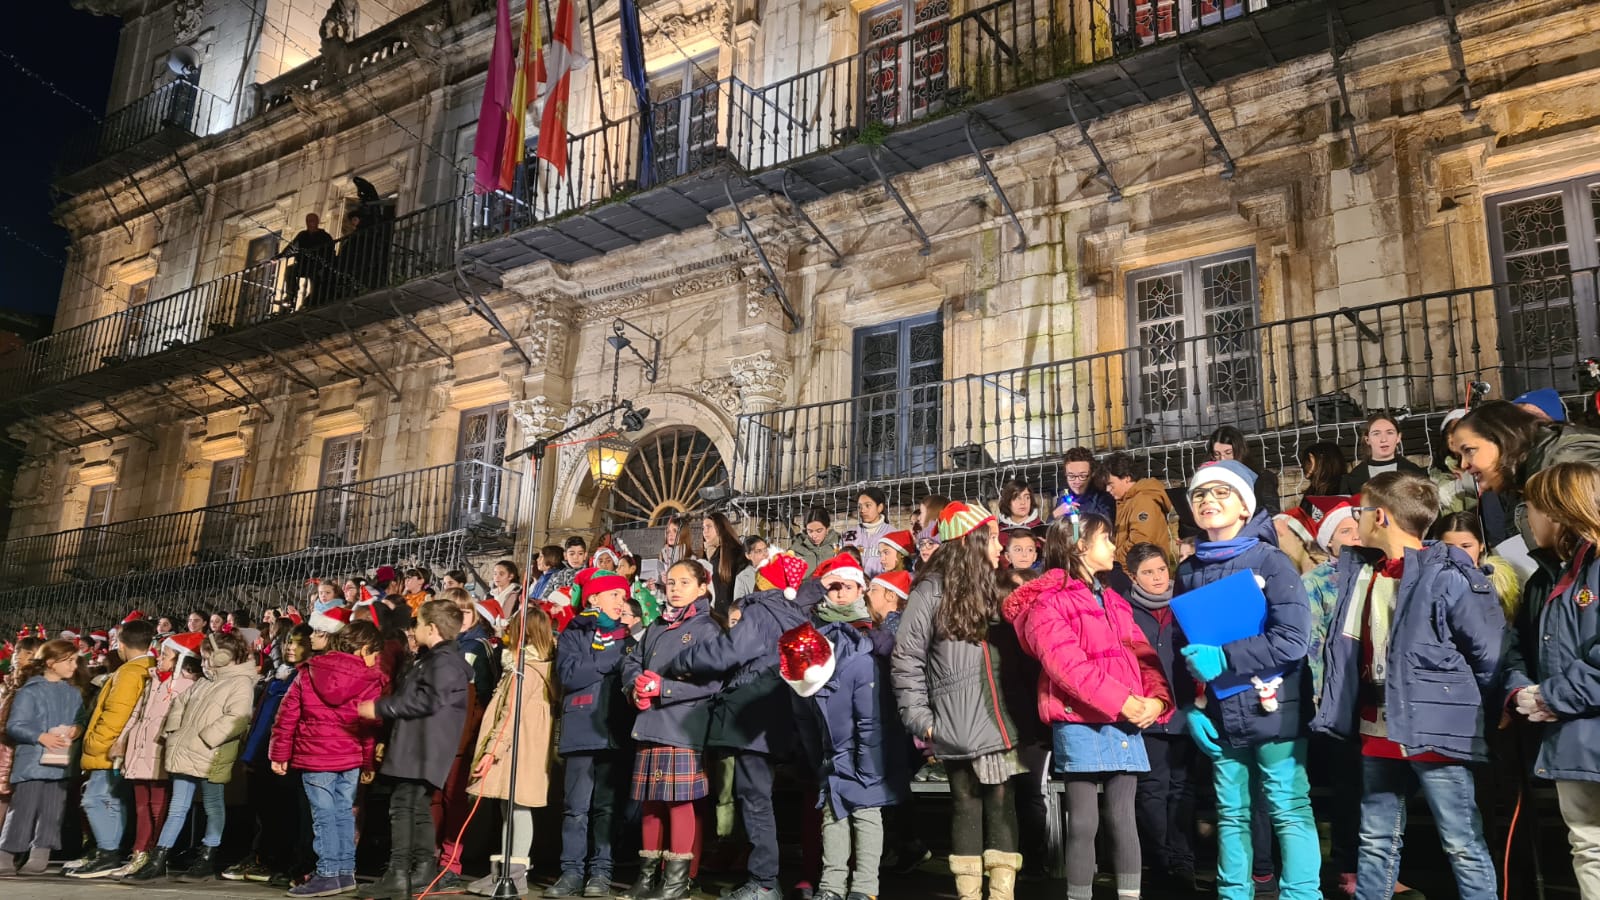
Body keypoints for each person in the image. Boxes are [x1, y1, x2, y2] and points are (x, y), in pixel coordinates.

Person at [1309, 472, 1503, 900]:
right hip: (1377, 727)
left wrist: (1465, 712)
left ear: (1379, 517)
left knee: (1461, 841)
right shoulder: (1361, 571)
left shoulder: (1448, 574)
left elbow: (1489, 653)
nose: (1355, 519)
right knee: (1376, 841)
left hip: (1433, 728)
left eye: (1359, 511)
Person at [1004, 517, 1170, 900]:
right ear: (1079, 546)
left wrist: (1156, 700)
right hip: (1080, 721)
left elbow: (1142, 655)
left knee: (1124, 818)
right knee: (1083, 821)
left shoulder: (1113, 599)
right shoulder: (1049, 601)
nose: (1114, 547)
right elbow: (1067, 667)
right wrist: (1124, 701)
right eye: (1106, 539)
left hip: (1126, 720)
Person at [1176, 460, 1318, 900]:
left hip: (1273, 705)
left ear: (1243, 507)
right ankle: (1233, 893)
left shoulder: (1271, 561)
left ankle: (1302, 894)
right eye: (1200, 495)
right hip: (1220, 709)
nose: (1208, 501)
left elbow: (1294, 639)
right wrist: (1190, 706)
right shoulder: (1187, 570)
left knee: (1288, 808)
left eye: (1221, 493)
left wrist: (1224, 657)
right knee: (1231, 811)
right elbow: (1185, 648)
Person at [891, 501, 1026, 900]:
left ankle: (1002, 894)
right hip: (958, 719)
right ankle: (969, 894)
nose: (1001, 548)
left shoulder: (999, 586)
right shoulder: (931, 590)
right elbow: (906, 657)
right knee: (966, 803)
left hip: (1000, 715)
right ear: (970, 541)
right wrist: (921, 718)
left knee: (1003, 802)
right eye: (994, 540)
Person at [659, 554, 812, 900]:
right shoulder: (794, 614)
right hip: (777, 714)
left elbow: (727, 651)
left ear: (764, 581)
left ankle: (764, 882)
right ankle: (763, 879)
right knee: (758, 797)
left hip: (753, 716)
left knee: (754, 798)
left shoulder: (761, 611)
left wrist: (681, 661)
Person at [1503, 462, 1600, 897]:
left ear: (1559, 511)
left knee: (1592, 846)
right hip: (1577, 737)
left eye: (1533, 507)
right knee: (1588, 846)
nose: (1527, 519)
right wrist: (1527, 691)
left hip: (1585, 728)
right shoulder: (1563, 571)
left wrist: (1549, 695)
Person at [621, 560, 726, 900]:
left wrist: (663, 689)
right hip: (650, 723)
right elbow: (632, 661)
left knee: (679, 803)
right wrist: (634, 689)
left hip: (681, 725)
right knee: (651, 803)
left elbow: (711, 682)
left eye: (684, 582)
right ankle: (648, 876)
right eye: (671, 582)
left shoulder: (706, 628)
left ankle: (677, 881)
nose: (675, 588)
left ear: (701, 588)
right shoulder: (655, 625)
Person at [357, 599, 472, 900]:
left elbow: (428, 701)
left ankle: (398, 874)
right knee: (417, 808)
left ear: (431, 628)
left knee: (403, 807)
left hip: (423, 747)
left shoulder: (443, 662)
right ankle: (421, 870)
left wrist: (381, 706)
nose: (414, 629)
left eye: (418, 623)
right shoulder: (433, 659)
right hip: (420, 745)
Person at [781, 613, 895, 900]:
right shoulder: (797, 669)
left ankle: (865, 887)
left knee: (866, 813)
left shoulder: (860, 664)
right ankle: (832, 885)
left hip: (863, 753)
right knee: (832, 814)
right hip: (831, 756)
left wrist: (868, 770)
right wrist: (818, 759)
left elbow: (869, 722)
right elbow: (805, 723)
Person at [271, 618, 388, 897]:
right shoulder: (370, 679)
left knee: (323, 816)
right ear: (363, 649)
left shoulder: (309, 671)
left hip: (315, 756)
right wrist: (368, 760)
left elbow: (287, 715)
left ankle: (328, 873)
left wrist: (279, 754)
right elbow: (370, 723)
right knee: (343, 814)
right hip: (349, 755)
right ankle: (344, 872)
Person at [131, 630, 258, 883]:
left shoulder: (240, 682)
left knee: (213, 805)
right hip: (187, 750)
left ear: (223, 656)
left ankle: (207, 856)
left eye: (207, 655)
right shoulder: (205, 680)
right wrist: (175, 731)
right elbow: (180, 703)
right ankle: (159, 858)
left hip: (211, 754)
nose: (203, 661)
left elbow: (238, 717)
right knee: (178, 807)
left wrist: (206, 738)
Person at [539, 573, 636, 899]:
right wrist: (611, 659)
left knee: (608, 808)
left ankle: (601, 873)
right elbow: (569, 674)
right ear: (593, 599)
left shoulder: (630, 636)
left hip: (615, 729)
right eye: (614, 595)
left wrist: (596, 663)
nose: (621, 601)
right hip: (581, 728)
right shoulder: (575, 631)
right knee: (576, 808)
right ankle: (570, 873)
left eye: (623, 596)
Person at [1121, 542, 1198, 890]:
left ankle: (1183, 862)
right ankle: (1158, 862)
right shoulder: (1124, 612)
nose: (1156, 578)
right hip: (1146, 715)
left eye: (1161, 570)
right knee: (1153, 789)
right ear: (1133, 577)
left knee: (1183, 789)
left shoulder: (1184, 607)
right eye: (1148, 573)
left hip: (1184, 711)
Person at [465, 609, 557, 897]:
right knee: (512, 808)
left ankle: (513, 876)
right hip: (524, 747)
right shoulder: (536, 667)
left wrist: (492, 752)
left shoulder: (525, 671)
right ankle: (504, 872)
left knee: (517, 809)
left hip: (517, 748)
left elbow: (509, 715)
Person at [62, 618, 156, 877]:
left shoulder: (127, 672)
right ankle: (106, 850)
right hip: (127, 748)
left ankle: (107, 853)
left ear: (122, 644)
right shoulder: (149, 667)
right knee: (113, 800)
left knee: (94, 800)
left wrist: (94, 743)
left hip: (110, 749)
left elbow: (117, 713)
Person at [115, 632, 202, 881]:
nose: (159, 658)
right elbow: (136, 714)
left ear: (181, 660)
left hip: (160, 752)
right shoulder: (153, 681)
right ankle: (139, 853)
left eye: (165, 654)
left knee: (157, 806)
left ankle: (153, 854)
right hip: (140, 750)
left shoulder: (186, 686)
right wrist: (123, 739)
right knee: (141, 806)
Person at [1454, 400, 1600, 541]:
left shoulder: (1563, 461)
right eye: (1460, 455)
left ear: (1502, 438)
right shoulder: (1518, 481)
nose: (1463, 464)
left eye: (1469, 450)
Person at [0, 639, 83, 876]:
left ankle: (40, 854)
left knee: (52, 810)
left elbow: (80, 720)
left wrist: (77, 729)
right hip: (33, 762)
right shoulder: (30, 691)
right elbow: (15, 725)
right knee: (23, 808)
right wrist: (40, 736)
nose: (74, 666)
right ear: (51, 662)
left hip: (60, 761)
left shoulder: (73, 693)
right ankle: (6, 854)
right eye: (69, 661)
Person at [1435, 510, 1521, 621]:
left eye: (1466, 546)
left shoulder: (1499, 584)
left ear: (1481, 545)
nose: (1457, 554)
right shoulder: (1431, 582)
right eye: (1449, 547)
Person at [1104, 452, 1175, 569]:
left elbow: (1139, 542)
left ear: (1126, 478)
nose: (1108, 489)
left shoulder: (1143, 501)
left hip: (1142, 571)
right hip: (1136, 570)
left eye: (1111, 484)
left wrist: (1114, 558)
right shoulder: (1127, 501)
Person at [0, 637, 42, 834]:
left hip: (18, 746)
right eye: (18, 651)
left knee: (11, 795)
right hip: (4, 744)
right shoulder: (11, 682)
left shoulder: (34, 684)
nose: (18, 657)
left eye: (27, 653)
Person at [1339, 413, 1427, 496]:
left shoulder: (1417, 475)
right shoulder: (1351, 480)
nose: (1383, 439)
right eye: (1376, 434)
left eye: (1389, 432)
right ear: (1367, 440)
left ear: (1398, 437)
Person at [282, 212, 338, 309]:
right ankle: (291, 294)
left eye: (312, 221)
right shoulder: (302, 235)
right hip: (303, 264)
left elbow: (330, 251)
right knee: (290, 270)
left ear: (317, 222)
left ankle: (310, 302)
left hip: (317, 265)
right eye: (308, 221)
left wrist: (323, 264)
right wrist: (280, 256)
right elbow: (292, 247)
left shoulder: (324, 236)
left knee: (315, 283)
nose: (310, 223)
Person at [842, 488, 895, 577]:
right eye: (859, 506)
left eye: (868, 505)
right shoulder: (849, 535)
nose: (862, 510)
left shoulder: (892, 534)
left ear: (880, 507)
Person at [1053, 447, 1116, 522]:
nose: (1077, 481)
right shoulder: (1063, 496)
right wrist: (1056, 514)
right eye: (1071, 476)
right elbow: (1047, 530)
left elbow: (1105, 526)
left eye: (1082, 476)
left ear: (1092, 473)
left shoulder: (1103, 498)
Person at [703, 513, 749, 616]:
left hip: (729, 613)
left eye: (709, 526)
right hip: (714, 613)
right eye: (704, 527)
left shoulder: (735, 552)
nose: (705, 531)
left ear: (720, 527)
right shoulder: (706, 553)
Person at [792, 508, 840, 573]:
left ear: (827, 529)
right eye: (810, 531)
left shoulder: (839, 543)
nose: (814, 536)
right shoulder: (797, 547)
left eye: (819, 531)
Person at [733, 535, 772, 602]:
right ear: (748, 555)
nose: (764, 554)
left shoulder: (776, 569)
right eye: (759, 551)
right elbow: (738, 605)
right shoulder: (742, 577)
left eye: (765, 550)